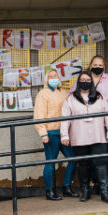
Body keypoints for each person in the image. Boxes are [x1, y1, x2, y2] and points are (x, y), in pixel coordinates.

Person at [61, 73, 108, 203]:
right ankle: (85, 191)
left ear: (91, 82)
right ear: (78, 82)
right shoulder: (70, 99)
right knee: (83, 165)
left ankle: (104, 192)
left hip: (98, 136)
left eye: (88, 80)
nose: (85, 82)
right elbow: (65, 119)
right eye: (82, 80)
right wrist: (64, 135)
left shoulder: (99, 97)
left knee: (101, 163)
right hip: (79, 137)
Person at [72, 56, 108, 182]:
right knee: (91, 154)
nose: (98, 67)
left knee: (107, 154)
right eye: (95, 64)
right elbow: (71, 96)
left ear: (104, 67)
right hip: (88, 123)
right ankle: (93, 183)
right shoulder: (83, 78)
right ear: (90, 65)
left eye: (100, 65)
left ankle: (106, 182)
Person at [34, 69, 76, 199]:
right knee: (50, 162)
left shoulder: (64, 93)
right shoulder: (43, 94)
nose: (53, 78)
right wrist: (43, 133)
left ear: (59, 78)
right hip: (51, 133)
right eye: (50, 76)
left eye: (55, 76)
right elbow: (39, 114)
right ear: (47, 79)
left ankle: (67, 187)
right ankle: (50, 191)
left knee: (73, 159)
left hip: (64, 132)